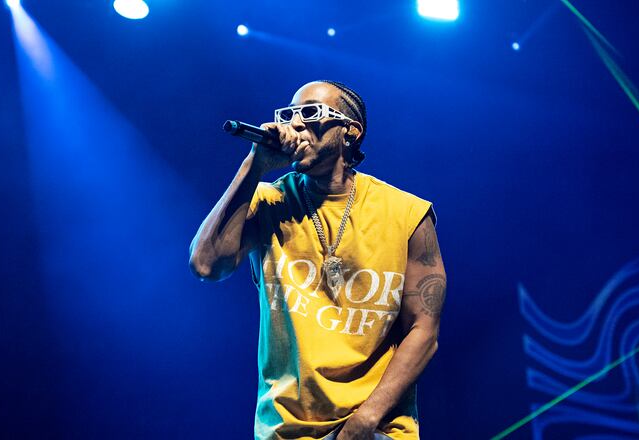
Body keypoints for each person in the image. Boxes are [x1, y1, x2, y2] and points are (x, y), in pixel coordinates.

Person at [189, 80, 446, 440]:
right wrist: (255, 164)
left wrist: (366, 419)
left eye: (310, 113)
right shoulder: (267, 202)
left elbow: (424, 331)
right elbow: (206, 265)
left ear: (349, 132)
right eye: (290, 114)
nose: (295, 124)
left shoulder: (408, 214)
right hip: (285, 431)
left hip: (379, 429)